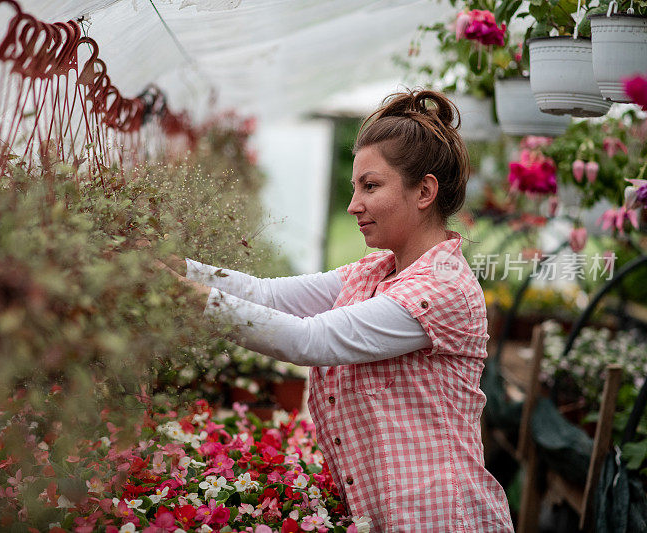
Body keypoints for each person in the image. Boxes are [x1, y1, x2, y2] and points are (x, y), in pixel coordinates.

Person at [159, 88, 514, 532]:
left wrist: (184, 298)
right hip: (387, 516)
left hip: (439, 517)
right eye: (354, 188)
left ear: (424, 191)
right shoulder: (377, 271)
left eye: (371, 186)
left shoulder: (442, 289)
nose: (353, 206)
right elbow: (268, 296)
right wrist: (183, 270)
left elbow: (311, 340)